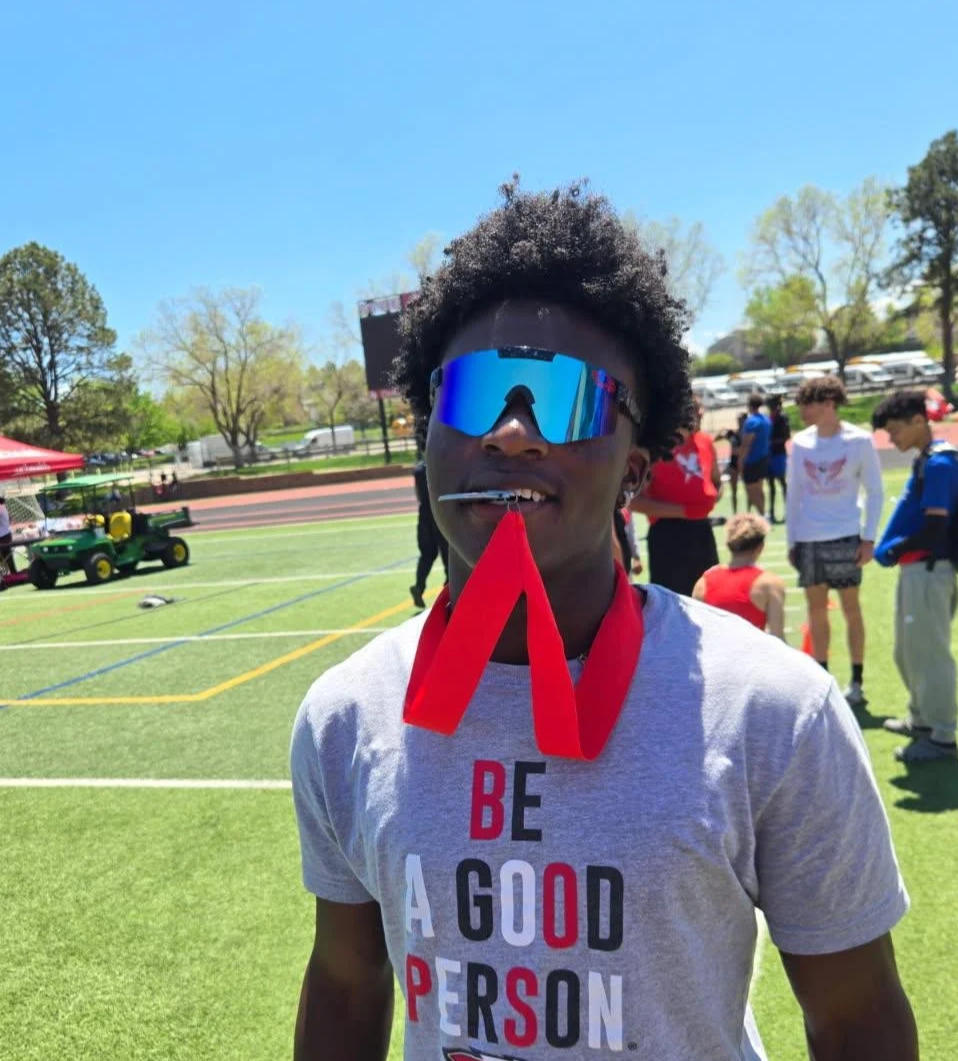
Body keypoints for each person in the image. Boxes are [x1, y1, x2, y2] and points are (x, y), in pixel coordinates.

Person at [290, 181, 916, 1061]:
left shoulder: (773, 710)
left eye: (566, 396)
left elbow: (855, 1020)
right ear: (426, 424)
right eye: (473, 391)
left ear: (634, 466)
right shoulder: (344, 714)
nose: (511, 432)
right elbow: (348, 981)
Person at [786, 375, 883, 708]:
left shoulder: (859, 441)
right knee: (816, 612)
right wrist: (792, 540)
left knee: (851, 610)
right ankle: (822, 679)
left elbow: (875, 491)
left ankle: (856, 682)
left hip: (846, 536)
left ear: (829, 404)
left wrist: (868, 538)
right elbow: (794, 494)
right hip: (809, 538)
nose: (802, 411)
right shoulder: (800, 443)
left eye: (808, 404)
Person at [872, 390, 958, 763]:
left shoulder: (939, 463)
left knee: (929, 654)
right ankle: (921, 718)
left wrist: (894, 548)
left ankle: (941, 735)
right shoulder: (929, 461)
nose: (891, 440)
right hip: (919, 569)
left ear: (919, 421)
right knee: (908, 651)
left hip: (929, 569)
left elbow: (936, 526)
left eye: (895, 431)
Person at [629, 398, 722, 595]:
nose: (701, 414)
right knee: (672, 601)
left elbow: (716, 481)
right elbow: (634, 501)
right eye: (694, 410)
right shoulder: (656, 448)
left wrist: (711, 498)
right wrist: (684, 510)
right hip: (668, 533)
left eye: (700, 409)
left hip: (702, 530)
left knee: (709, 594)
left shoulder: (705, 441)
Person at [692, 513, 786, 638]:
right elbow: (777, 638)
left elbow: (697, 635)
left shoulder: (703, 583)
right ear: (760, 547)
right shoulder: (769, 584)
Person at [410, 455, 448, 609]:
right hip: (440, 513)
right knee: (449, 555)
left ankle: (419, 586)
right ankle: (448, 591)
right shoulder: (442, 466)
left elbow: (419, 496)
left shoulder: (418, 469)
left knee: (426, 555)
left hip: (424, 516)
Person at [738, 394, 772, 514]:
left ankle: (762, 515)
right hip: (764, 458)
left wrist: (740, 461)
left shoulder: (751, 422)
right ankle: (764, 514)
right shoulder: (766, 420)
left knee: (752, 491)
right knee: (760, 489)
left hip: (752, 461)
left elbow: (747, 444)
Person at [766, 394, 790, 523]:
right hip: (769, 455)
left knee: (782, 483)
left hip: (779, 454)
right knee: (770, 485)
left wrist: (772, 442)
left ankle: (788, 512)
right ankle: (771, 513)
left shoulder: (782, 418)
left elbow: (786, 436)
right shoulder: (769, 418)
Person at [716, 412, 746, 513]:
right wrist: (722, 432)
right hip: (733, 464)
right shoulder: (733, 434)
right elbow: (718, 437)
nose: (740, 422)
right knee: (734, 490)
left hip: (744, 464)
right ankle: (735, 512)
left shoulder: (748, 434)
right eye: (738, 420)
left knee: (749, 490)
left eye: (742, 420)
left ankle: (748, 511)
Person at [0, 495, 16, 574]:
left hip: (3, 536)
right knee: (7, 556)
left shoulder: (0, 508)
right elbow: (11, 520)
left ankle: (10, 573)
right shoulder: (3, 507)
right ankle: (12, 572)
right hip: (6, 534)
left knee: (6, 556)